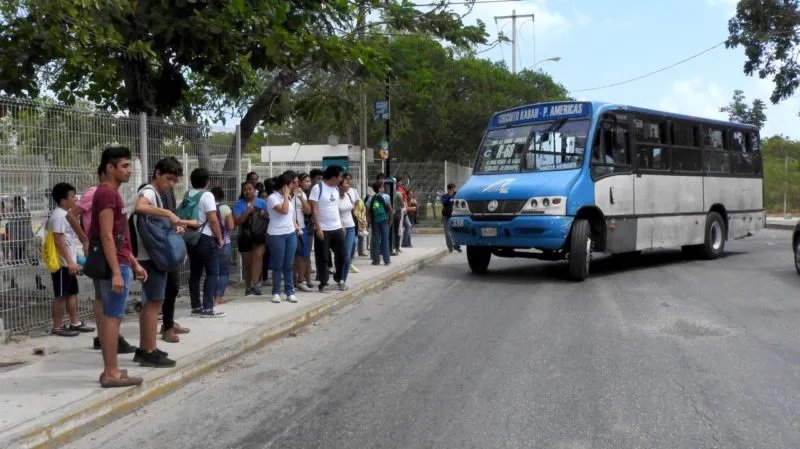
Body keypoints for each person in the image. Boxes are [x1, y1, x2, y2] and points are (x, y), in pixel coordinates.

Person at [92, 146, 148, 388]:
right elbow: (105, 236)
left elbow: (119, 236)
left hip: (123, 262)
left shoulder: (112, 194)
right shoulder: (106, 194)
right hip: (115, 266)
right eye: (124, 166)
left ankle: (111, 369)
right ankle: (111, 372)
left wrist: (134, 263)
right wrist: (117, 271)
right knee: (112, 318)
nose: (129, 170)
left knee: (111, 317)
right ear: (110, 168)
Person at [67, 166, 137, 353]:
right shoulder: (96, 192)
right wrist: (85, 239)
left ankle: (105, 339)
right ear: (107, 171)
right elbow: (72, 215)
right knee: (106, 302)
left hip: (106, 248)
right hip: (102, 251)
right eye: (124, 166)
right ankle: (106, 340)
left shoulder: (107, 193)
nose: (128, 170)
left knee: (104, 299)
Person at [132, 157, 184, 365]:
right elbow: (140, 206)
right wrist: (168, 213)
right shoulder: (149, 192)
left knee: (152, 303)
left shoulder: (158, 194)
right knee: (153, 304)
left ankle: (147, 347)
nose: (171, 184)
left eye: (174, 181)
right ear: (158, 174)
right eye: (169, 179)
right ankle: (148, 350)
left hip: (152, 256)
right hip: (150, 257)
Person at [48, 182, 94, 337]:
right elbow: (58, 241)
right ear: (62, 200)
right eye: (72, 197)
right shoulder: (59, 216)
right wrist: (70, 261)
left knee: (72, 292)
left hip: (69, 262)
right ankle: (58, 326)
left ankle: (75, 322)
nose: (75, 200)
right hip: (63, 264)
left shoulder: (66, 215)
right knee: (61, 295)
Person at [185, 168, 225, 318]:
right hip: (205, 236)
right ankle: (208, 307)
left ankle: (196, 306)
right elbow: (213, 219)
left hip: (191, 237)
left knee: (195, 273)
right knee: (212, 272)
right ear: (207, 181)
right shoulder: (207, 195)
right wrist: (220, 238)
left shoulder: (188, 193)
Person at [309, 165, 347, 292]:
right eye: (340, 176)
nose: (342, 179)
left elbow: (336, 208)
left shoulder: (336, 188)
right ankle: (323, 283)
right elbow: (314, 210)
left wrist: (341, 224)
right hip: (323, 228)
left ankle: (339, 278)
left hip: (336, 227)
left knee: (342, 254)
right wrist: (318, 228)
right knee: (323, 257)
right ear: (334, 176)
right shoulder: (317, 188)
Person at [267, 172, 299, 303]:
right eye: (293, 183)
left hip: (290, 233)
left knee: (289, 264)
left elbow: (289, 214)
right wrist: (286, 195)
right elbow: (284, 210)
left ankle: (289, 291)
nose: (295, 185)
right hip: (276, 235)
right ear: (286, 185)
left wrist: (295, 225)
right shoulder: (272, 198)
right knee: (278, 265)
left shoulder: (289, 197)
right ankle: (276, 291)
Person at [233, 181, 268, 295]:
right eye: (245, 189)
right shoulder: (239, 204)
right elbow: (237, 221)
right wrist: (247, 212)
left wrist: (265, 215)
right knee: (247, 263)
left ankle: (256, 284)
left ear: (254, 190)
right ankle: (248, 286)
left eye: (250, 189)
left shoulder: (262, 202)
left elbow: (271, 217)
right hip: (245, 236)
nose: (247, 191)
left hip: (259, 236)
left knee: (258, 258)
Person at [5, 196, 46, 290]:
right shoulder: (17, 213)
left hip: (24, 242)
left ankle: (37, 282)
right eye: (18, 204)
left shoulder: (18, 213)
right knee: (19, 263)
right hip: (21, 242)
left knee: (26, 262)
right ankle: (14, 283)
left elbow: (19, 228)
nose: (19, 206)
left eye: (20, 204)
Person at [211, 186, 235, 307]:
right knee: (224, 272)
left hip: (209, 243)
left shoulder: (206, 207)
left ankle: (210, 297)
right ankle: (218, 298)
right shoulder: (225, 208)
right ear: (222, 196)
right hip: (224, 243)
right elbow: (231, 226)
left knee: (211, 272)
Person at [337, 173, 359, 290]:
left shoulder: (348, 195)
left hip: (351, 227)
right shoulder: (335, 197)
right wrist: (340, 224)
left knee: (349, 254)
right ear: (339, 185)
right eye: (346, 182)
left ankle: (342, 279)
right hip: (341, 229)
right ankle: (340, 278)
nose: (348, 184)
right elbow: (333, 213)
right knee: (344, 255)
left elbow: (353, 207)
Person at [292, 173, 313, 292]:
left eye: (296, 182)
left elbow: (308, 211)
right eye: (293, 182)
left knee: (303, 255)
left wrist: (300, 197)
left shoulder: (302, 194)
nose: (295, 185)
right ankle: (292, 280)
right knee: (292, 257)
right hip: (290, 229)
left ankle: (301, 280)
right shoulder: (286, 195)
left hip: (302, 228)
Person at [366, 181, 392, 265]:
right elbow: (390, 209)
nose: (383, 188)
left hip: (375, 221)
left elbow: (368, 211)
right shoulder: (386, 197)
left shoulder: (371, 198)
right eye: (382, 187)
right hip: (384, 220)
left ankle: (376, 260)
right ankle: (386, 260)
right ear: (380, 188)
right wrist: (390, 220)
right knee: (385, 240)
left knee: (376, 240)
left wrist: (368, 220)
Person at [440, 182, 461, 253]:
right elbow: (444, 203)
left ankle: (457, 246)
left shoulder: (457, 195)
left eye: (453, 189)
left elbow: (459, 203)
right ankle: (450, 247)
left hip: (454, 216)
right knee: (447, 232)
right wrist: (449, 196)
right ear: (448, 189)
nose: (453, 190)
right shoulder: (444, 196)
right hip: (446, 216)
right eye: (451, 189)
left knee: (456, 231)